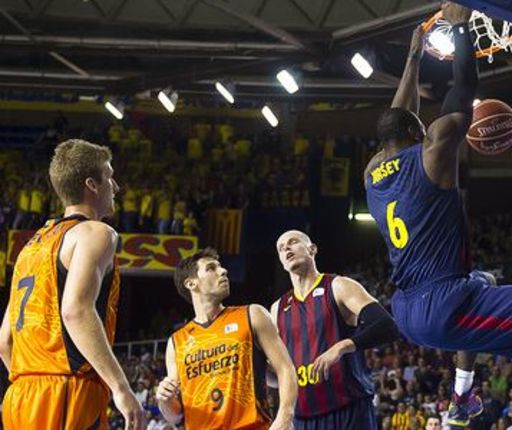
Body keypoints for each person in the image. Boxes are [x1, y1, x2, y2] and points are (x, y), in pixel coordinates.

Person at [364, 3, 512, 428]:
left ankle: (461, 397)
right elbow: (463, 89)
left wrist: (414, 58)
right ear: (419, 131)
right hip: (442, 305)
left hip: (406, 308)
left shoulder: (372, 175)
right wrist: (460, 31)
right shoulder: (434, 152)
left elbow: (398, 117)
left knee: (484, 280)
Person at [0, 139, 146, 429]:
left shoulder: (30, 247)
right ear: (92, 184)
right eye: (109, 177)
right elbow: (76, 310)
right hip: (68, 390)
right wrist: (120, 387)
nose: (115, 187)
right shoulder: (96, 232)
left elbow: (5, 342)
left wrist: (34, 381)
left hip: (20, 395)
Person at [155, 248, 297, 429]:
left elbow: (285, 369)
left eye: (220, 267)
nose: (223, 271)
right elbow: (175, 415)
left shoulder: (252, 314)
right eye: (211, 268)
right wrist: (164, 400)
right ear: (191, 284)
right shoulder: (176, 342)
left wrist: (285, 417)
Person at [270, 230, 399, 429]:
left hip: (348, 411)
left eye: (293, 242)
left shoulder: (338, 286)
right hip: (302, 419)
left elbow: (387, 326)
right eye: (280, 248)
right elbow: (277, 376)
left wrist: (342, 346)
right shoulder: (278, 308)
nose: (286, 248)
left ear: (312, 249)